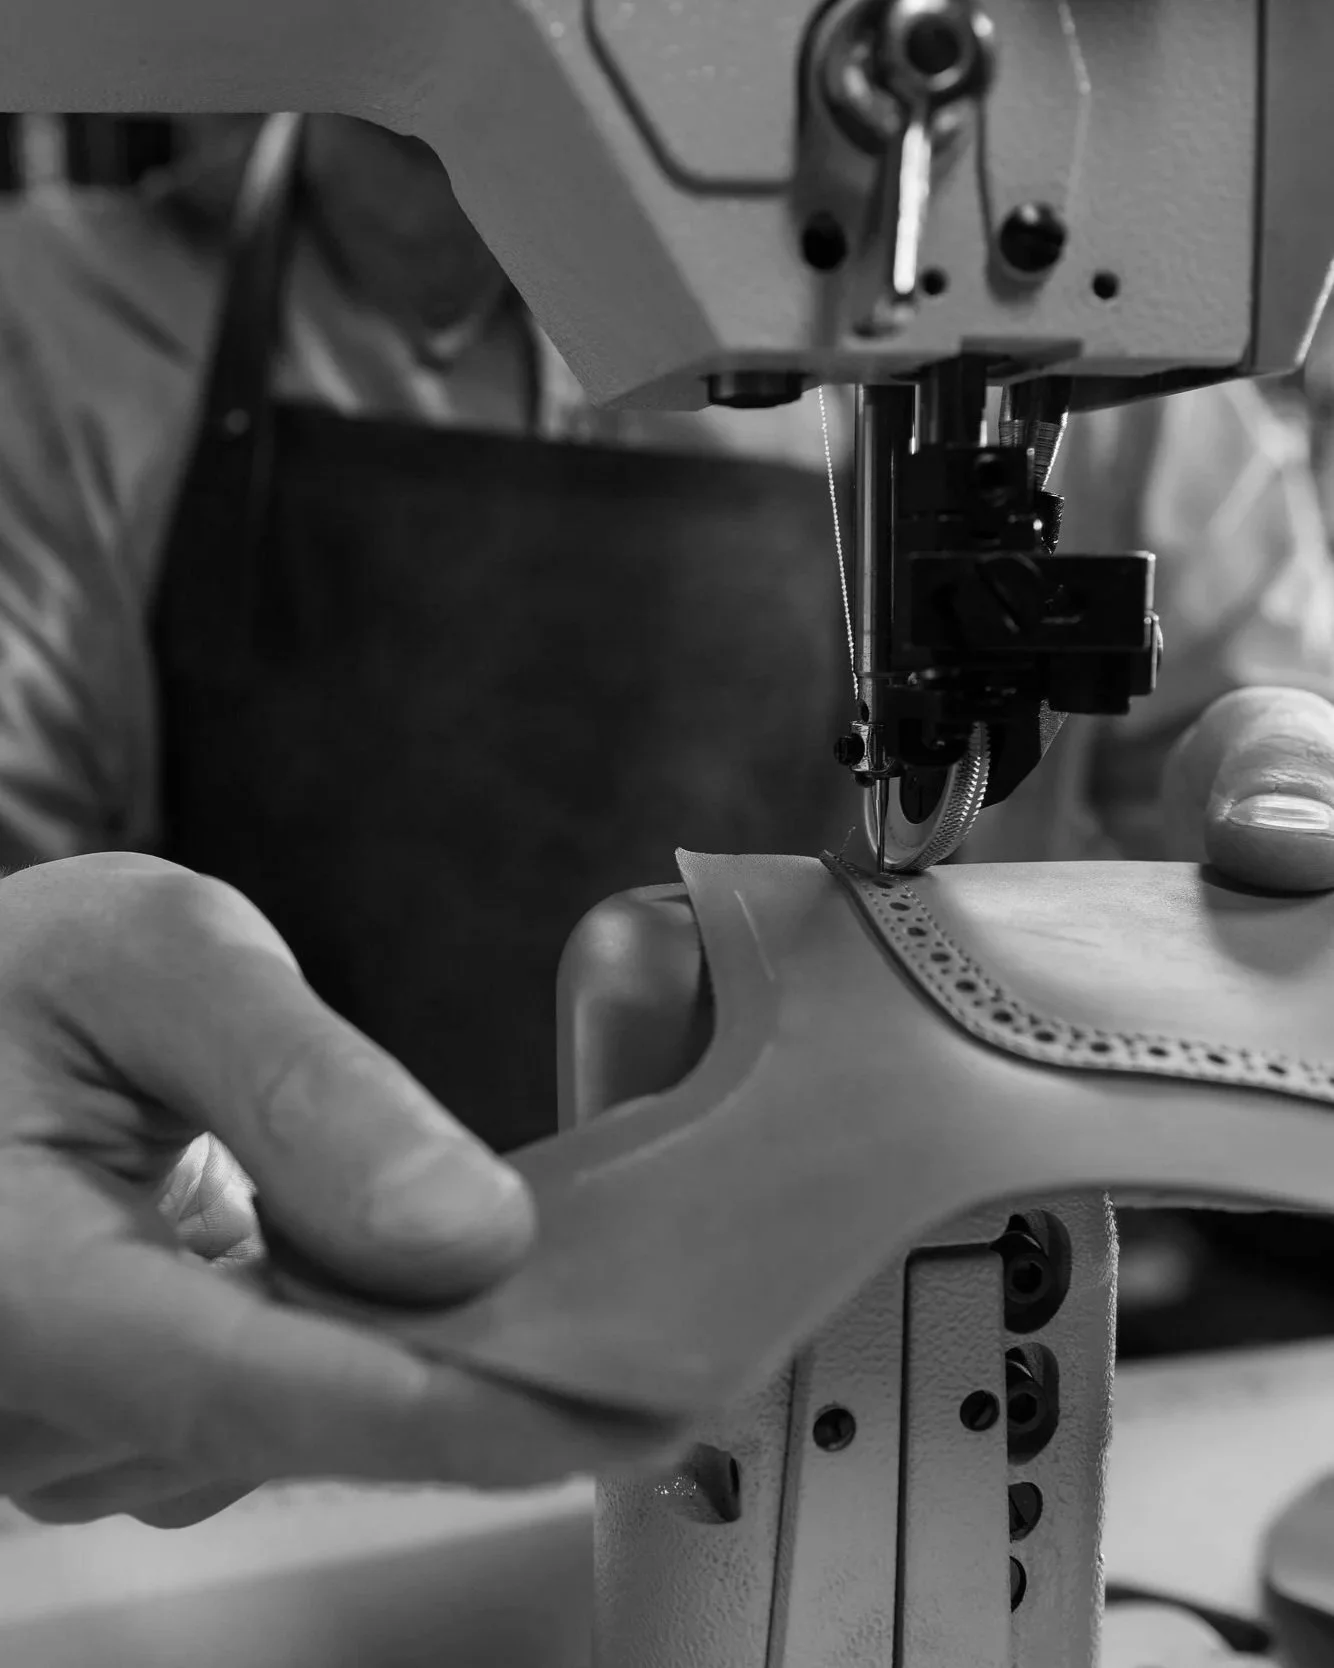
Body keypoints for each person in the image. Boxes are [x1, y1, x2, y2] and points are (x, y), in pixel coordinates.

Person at [0, 112, 1330, 1530]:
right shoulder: (63, 327)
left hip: (928, 1414)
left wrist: (1279, 828)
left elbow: (1266, 738)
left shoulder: (1070, 319)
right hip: (247, 1449)